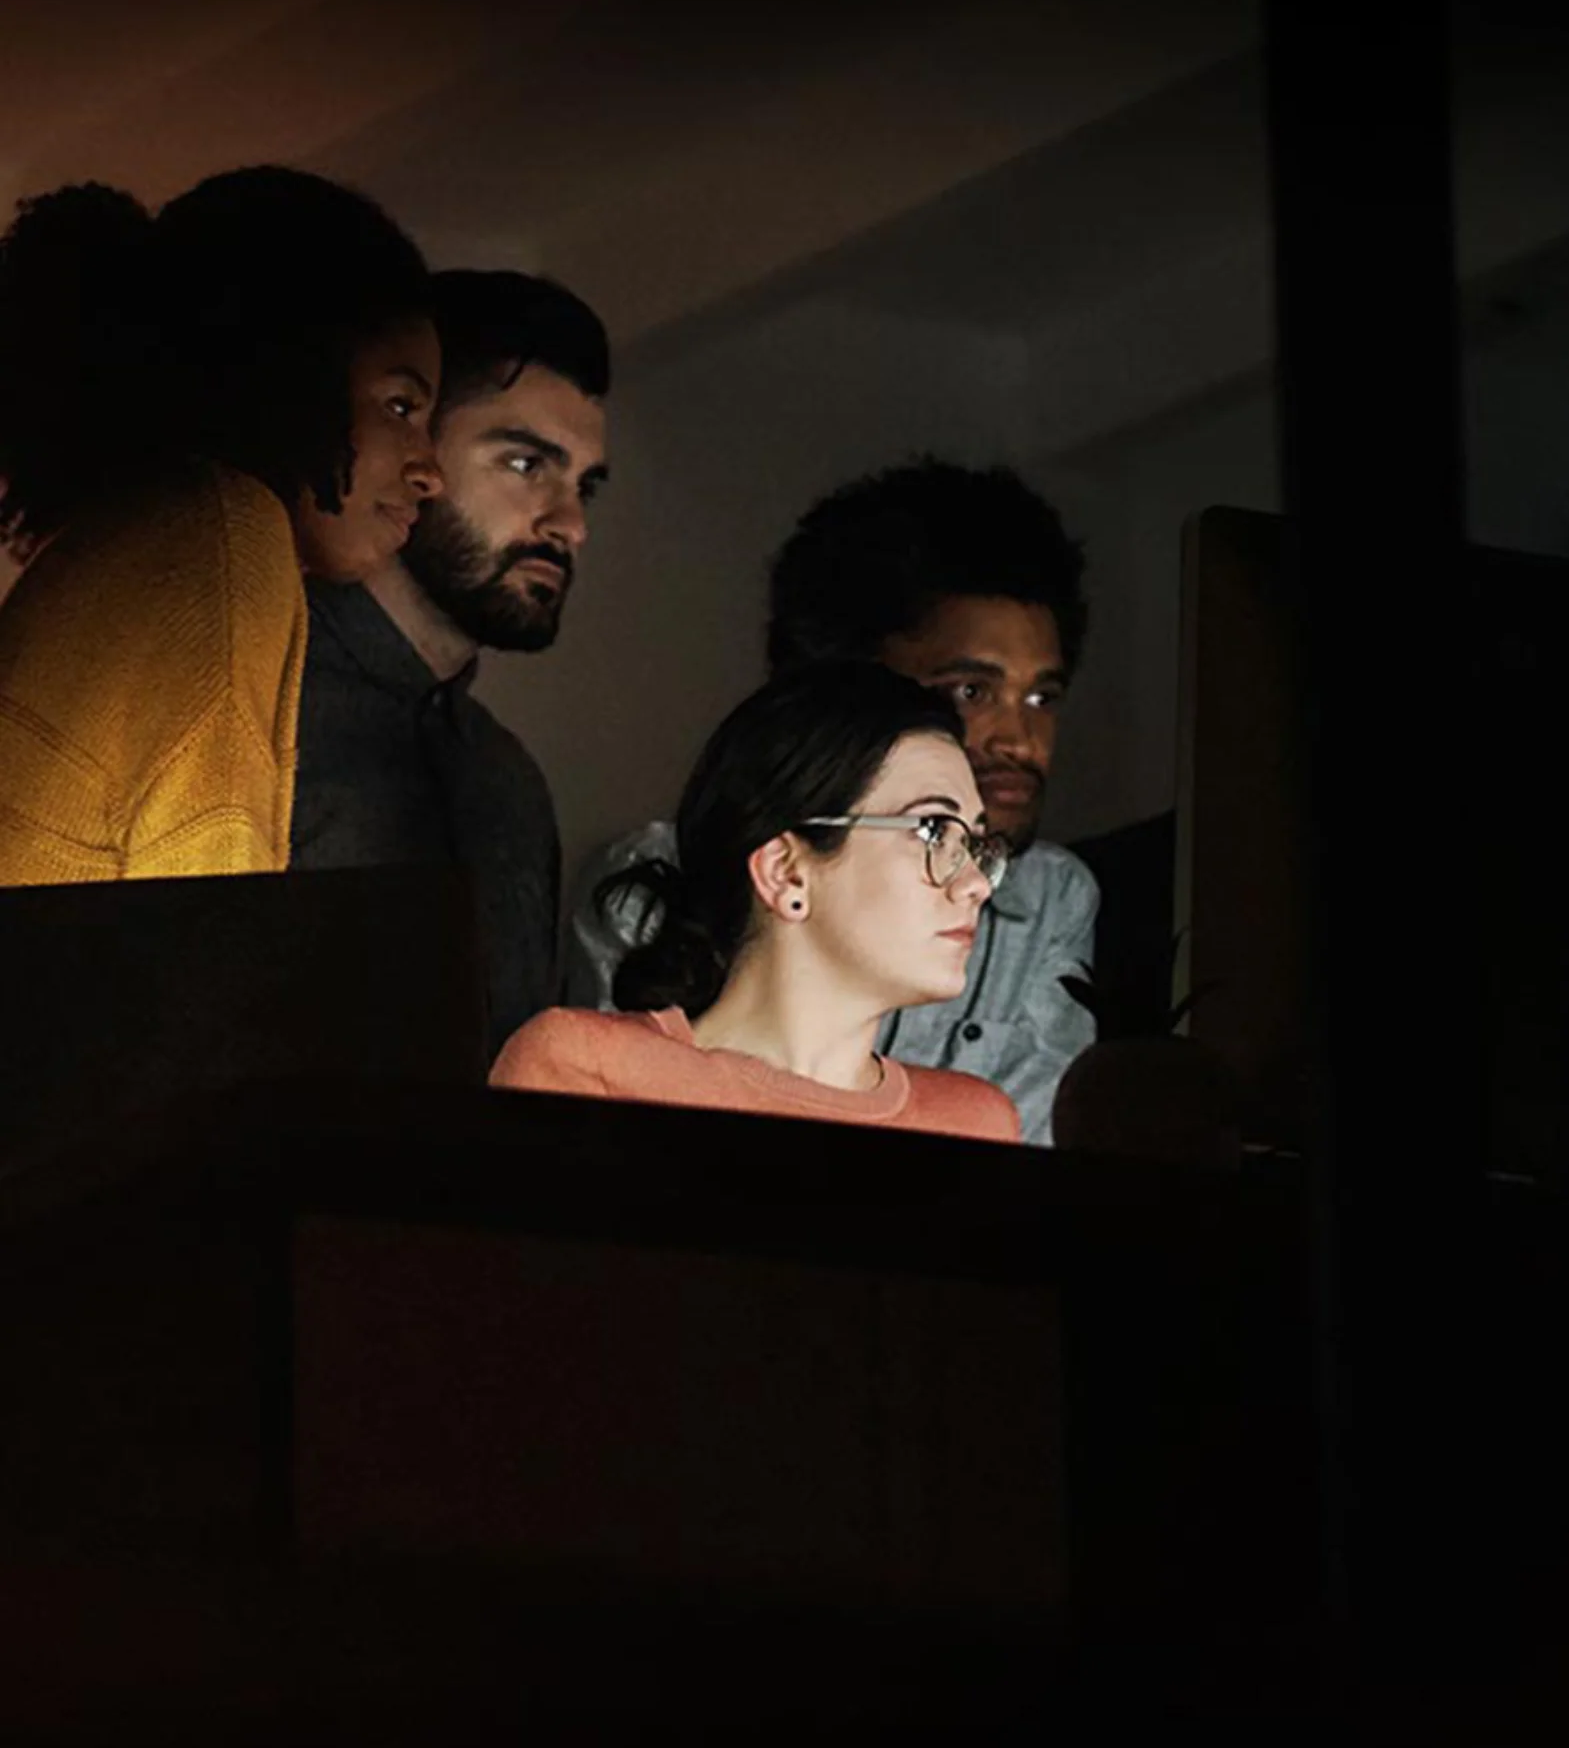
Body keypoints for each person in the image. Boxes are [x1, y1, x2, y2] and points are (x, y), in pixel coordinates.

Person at [567, 457, 1097, 1145]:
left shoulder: (1051, 898)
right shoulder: (626, 946)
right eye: (970, 691)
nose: (1020, 740)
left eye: (1042, 698)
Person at [0, 167, 442, 886]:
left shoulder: (131, 543)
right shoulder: (225, 533)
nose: (431, 471)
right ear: (292, 367)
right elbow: (207, 952)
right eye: (401, 407)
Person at [493, 661, 1020, 1144]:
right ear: (785, 872)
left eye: (974, 844)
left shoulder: (975, 1125)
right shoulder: (584, 1071)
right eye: (932, 831)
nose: (976, 882)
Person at [290, 270, 610, 1058]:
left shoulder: (507, 779)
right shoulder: (253, 707)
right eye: (527, 465)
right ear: (416, 452)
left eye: (584, 486)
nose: (569, 524)